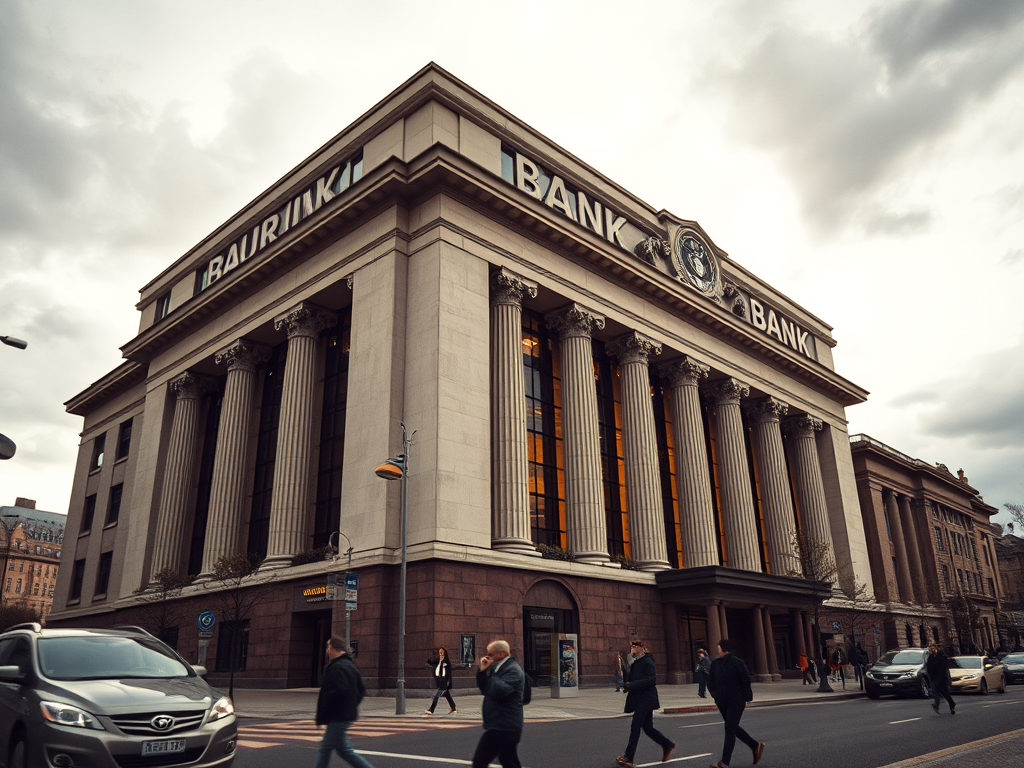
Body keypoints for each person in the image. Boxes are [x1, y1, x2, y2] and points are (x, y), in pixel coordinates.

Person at [313, 636, 375, 768]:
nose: (327, 649)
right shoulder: (349, 665)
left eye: (329, 646)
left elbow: (341, 691)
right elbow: (361, 690)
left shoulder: (338, 667)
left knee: (327, 749)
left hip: (338, 716)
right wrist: (352, 705)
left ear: (334, 648)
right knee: (343, 751)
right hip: (344, 714)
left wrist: (326, 704)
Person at [615, 639, 675, 768]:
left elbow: (652, 679)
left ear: (641, 648)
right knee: (647, 728)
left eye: (634, 646)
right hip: (641, 699)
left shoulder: (647, 662)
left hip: (647, 699)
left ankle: (628, 757)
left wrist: (632, 685)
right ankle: (667, 744)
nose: (632, 648)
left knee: (635, 726)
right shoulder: (636, 663)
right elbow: (631, 680)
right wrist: (624, 675)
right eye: (631, 646)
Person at [707, 638, 765, 768]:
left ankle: (724, 763)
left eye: (719, 649)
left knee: (729, 728)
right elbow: (710, 681)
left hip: (736, 701)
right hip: (721, 701)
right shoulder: (715, 664)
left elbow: (745, 680)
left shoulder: (737, 663)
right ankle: (755, 745)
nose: (718, 651)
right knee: (732, 727)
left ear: (724, 649)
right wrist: (714, 694)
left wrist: (747, 698)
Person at [473, 639, 525, 768]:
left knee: (480, 761)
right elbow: (486, 689)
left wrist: (491, 674)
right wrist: (483, 671)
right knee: (509, 761)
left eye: (491, 654)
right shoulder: (498, 667)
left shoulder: (513, 670)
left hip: (504, 725)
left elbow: (500, 692)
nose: (488, 656)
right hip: (503, 723)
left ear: (502, 654)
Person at [423, 646, 457, 716]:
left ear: (444, 653)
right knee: (447, 695)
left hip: (444, 681)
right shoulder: (439, 661)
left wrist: (448, 681)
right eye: (440, 652)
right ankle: (453, 708)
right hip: (439, 680)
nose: (440, 653)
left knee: (436, 696)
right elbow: (432, 663)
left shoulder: (446, 662)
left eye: (442, 652)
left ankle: (431, 710)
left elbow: (449, 672)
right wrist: (429, 660)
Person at [925, 642, 955, 715]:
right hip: (935, 677)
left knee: (945, 693)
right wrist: (930, 675)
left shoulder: (941, 654)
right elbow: (929, 666)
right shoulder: (931, 656)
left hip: (942, 677)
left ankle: (952, 704)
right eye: (930, 647)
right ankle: (936, 704)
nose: (931, 648)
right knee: (934, 690)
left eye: (932, 647)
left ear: (935, 647)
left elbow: (943, 665)